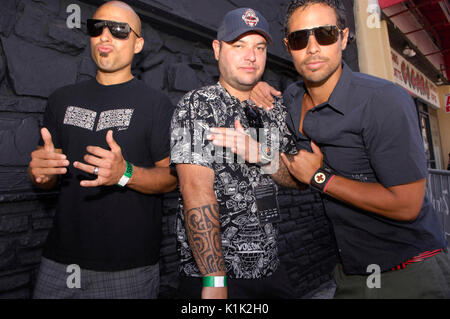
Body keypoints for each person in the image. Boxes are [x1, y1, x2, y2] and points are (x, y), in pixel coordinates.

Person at [249, 0, 449, 298]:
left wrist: (320, 178)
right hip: (350, 272)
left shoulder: (383, 101)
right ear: (289, 47)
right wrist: (253, 85)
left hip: (408, 273)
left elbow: (407, 205)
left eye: (325, 34)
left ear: (343, 38)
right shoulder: (292, 98)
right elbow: (298, 178)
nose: (313, 47)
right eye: (301, 38)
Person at [28, 1, 177, 299]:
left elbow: (172, 178)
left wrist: (125, 174)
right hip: (60, 260)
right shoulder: (61, 99)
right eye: (97, 29)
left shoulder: (156, 104)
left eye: (120, 30)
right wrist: (40, 174)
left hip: (127, 267)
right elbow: (48, 175)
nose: (106, 37)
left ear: (138, 44)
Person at [170, 7, 302, 299]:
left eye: (259, 47)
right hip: (213, 275)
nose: (251, 56)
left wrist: (263, 156)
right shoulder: (198, 105)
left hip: (270, 268)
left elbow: (296, 179)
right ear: (217, 49)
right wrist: (214, 281)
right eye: (238, 45)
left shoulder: (275, 109)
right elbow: (195, 190)